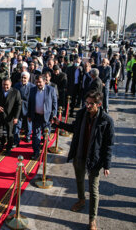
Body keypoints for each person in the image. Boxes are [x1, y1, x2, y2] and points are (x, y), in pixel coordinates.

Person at [53, 90, 114, 230]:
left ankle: (92, 219)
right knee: (79, 180)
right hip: (79, 154)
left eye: (91, 104)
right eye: (86, 102)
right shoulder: (82, 114)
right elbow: (74, 128)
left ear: (98, 104)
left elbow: (109, 144)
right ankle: (81, 200)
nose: (87, 106)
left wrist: (107, 165)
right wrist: (59, 124)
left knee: (94, 189)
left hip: (95, 159)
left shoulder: (106, 121)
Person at [28, 74, 57, 159]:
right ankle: (36, 152)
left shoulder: (51, 90)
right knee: (36, 135)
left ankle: (44, 151)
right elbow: (30, 103)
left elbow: (55, 103)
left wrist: (53, 116)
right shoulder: (32, 90)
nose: (38, 84)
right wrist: (29, 115)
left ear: (45, 81)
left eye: (40, 82)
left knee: (45, 136)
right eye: (37, 82)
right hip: (36, 116)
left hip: (47, 117)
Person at [0, 77, 21, 155]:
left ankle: (8, 148)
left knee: (10, 133)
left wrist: (16, 117)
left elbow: (18, 105)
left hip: (10, 116)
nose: (5, 87)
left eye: (7, 85)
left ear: (10, 84)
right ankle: (2, 144)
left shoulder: (16, 92)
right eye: (3, 85)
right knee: (0, 132)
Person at [13, 72, 34, 146]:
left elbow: (33, 99)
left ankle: (28, 136)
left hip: (28, 108)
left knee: (28, 123)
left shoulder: (32, 87)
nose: (23, 79)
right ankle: (16, 139)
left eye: (25, 78)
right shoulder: (16, 85)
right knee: (17, 124)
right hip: (18, 108)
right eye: (22, 77)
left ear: (28, 78)